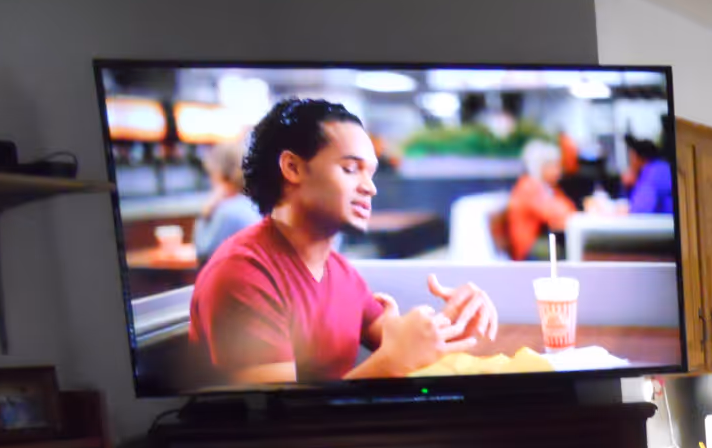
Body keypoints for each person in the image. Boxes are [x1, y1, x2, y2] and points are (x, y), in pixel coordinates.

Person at [189, 98, 497, 384]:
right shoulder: (243, 275)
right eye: (351, 169)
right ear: (293, 168)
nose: (370, 188)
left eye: (371, 173)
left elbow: (401, 344)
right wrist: (392, 362)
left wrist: (456, 323)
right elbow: (276, 422)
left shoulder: (339, 271)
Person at [505, 140, 579, 261]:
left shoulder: (547, 187)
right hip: (528, 251)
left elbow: (569, 210)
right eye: (555, 165)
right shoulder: (529, 186)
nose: (559, 171)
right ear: (541, 166)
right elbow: (555, 216)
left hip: (541, 243)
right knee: (567, 251)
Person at [191, 140, 261, 266]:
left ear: (219, 174)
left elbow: (202, 253)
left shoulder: (228, 211)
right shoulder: (254, 204)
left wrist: (206, 211)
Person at [586, 135, 673, 216]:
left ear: (637, 157)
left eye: (631, 156)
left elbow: (639, 212)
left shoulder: (653, 172)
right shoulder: (661, 167)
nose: (630, 161)